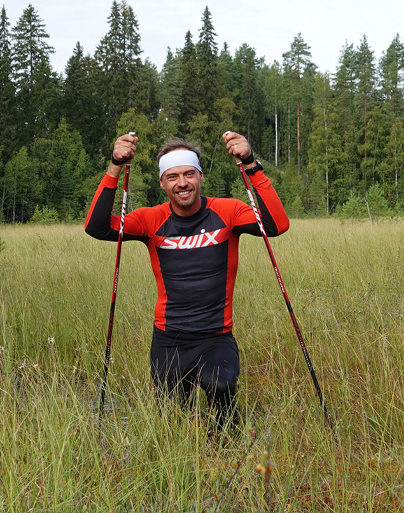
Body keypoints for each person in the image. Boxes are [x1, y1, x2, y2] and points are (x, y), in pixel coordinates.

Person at [84, 132, 289, 431]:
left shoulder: (228, 211)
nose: (182, 183)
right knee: (171, 422)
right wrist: (115, 166)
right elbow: (96, 227)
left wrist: (249, 163)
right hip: (169, 341)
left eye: (189, 174)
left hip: (216, 336)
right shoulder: (149, 219)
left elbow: (276, 225)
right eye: (173, 176)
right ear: (162, 183)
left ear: (200, 177)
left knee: (220, 385)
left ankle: (226, 445)